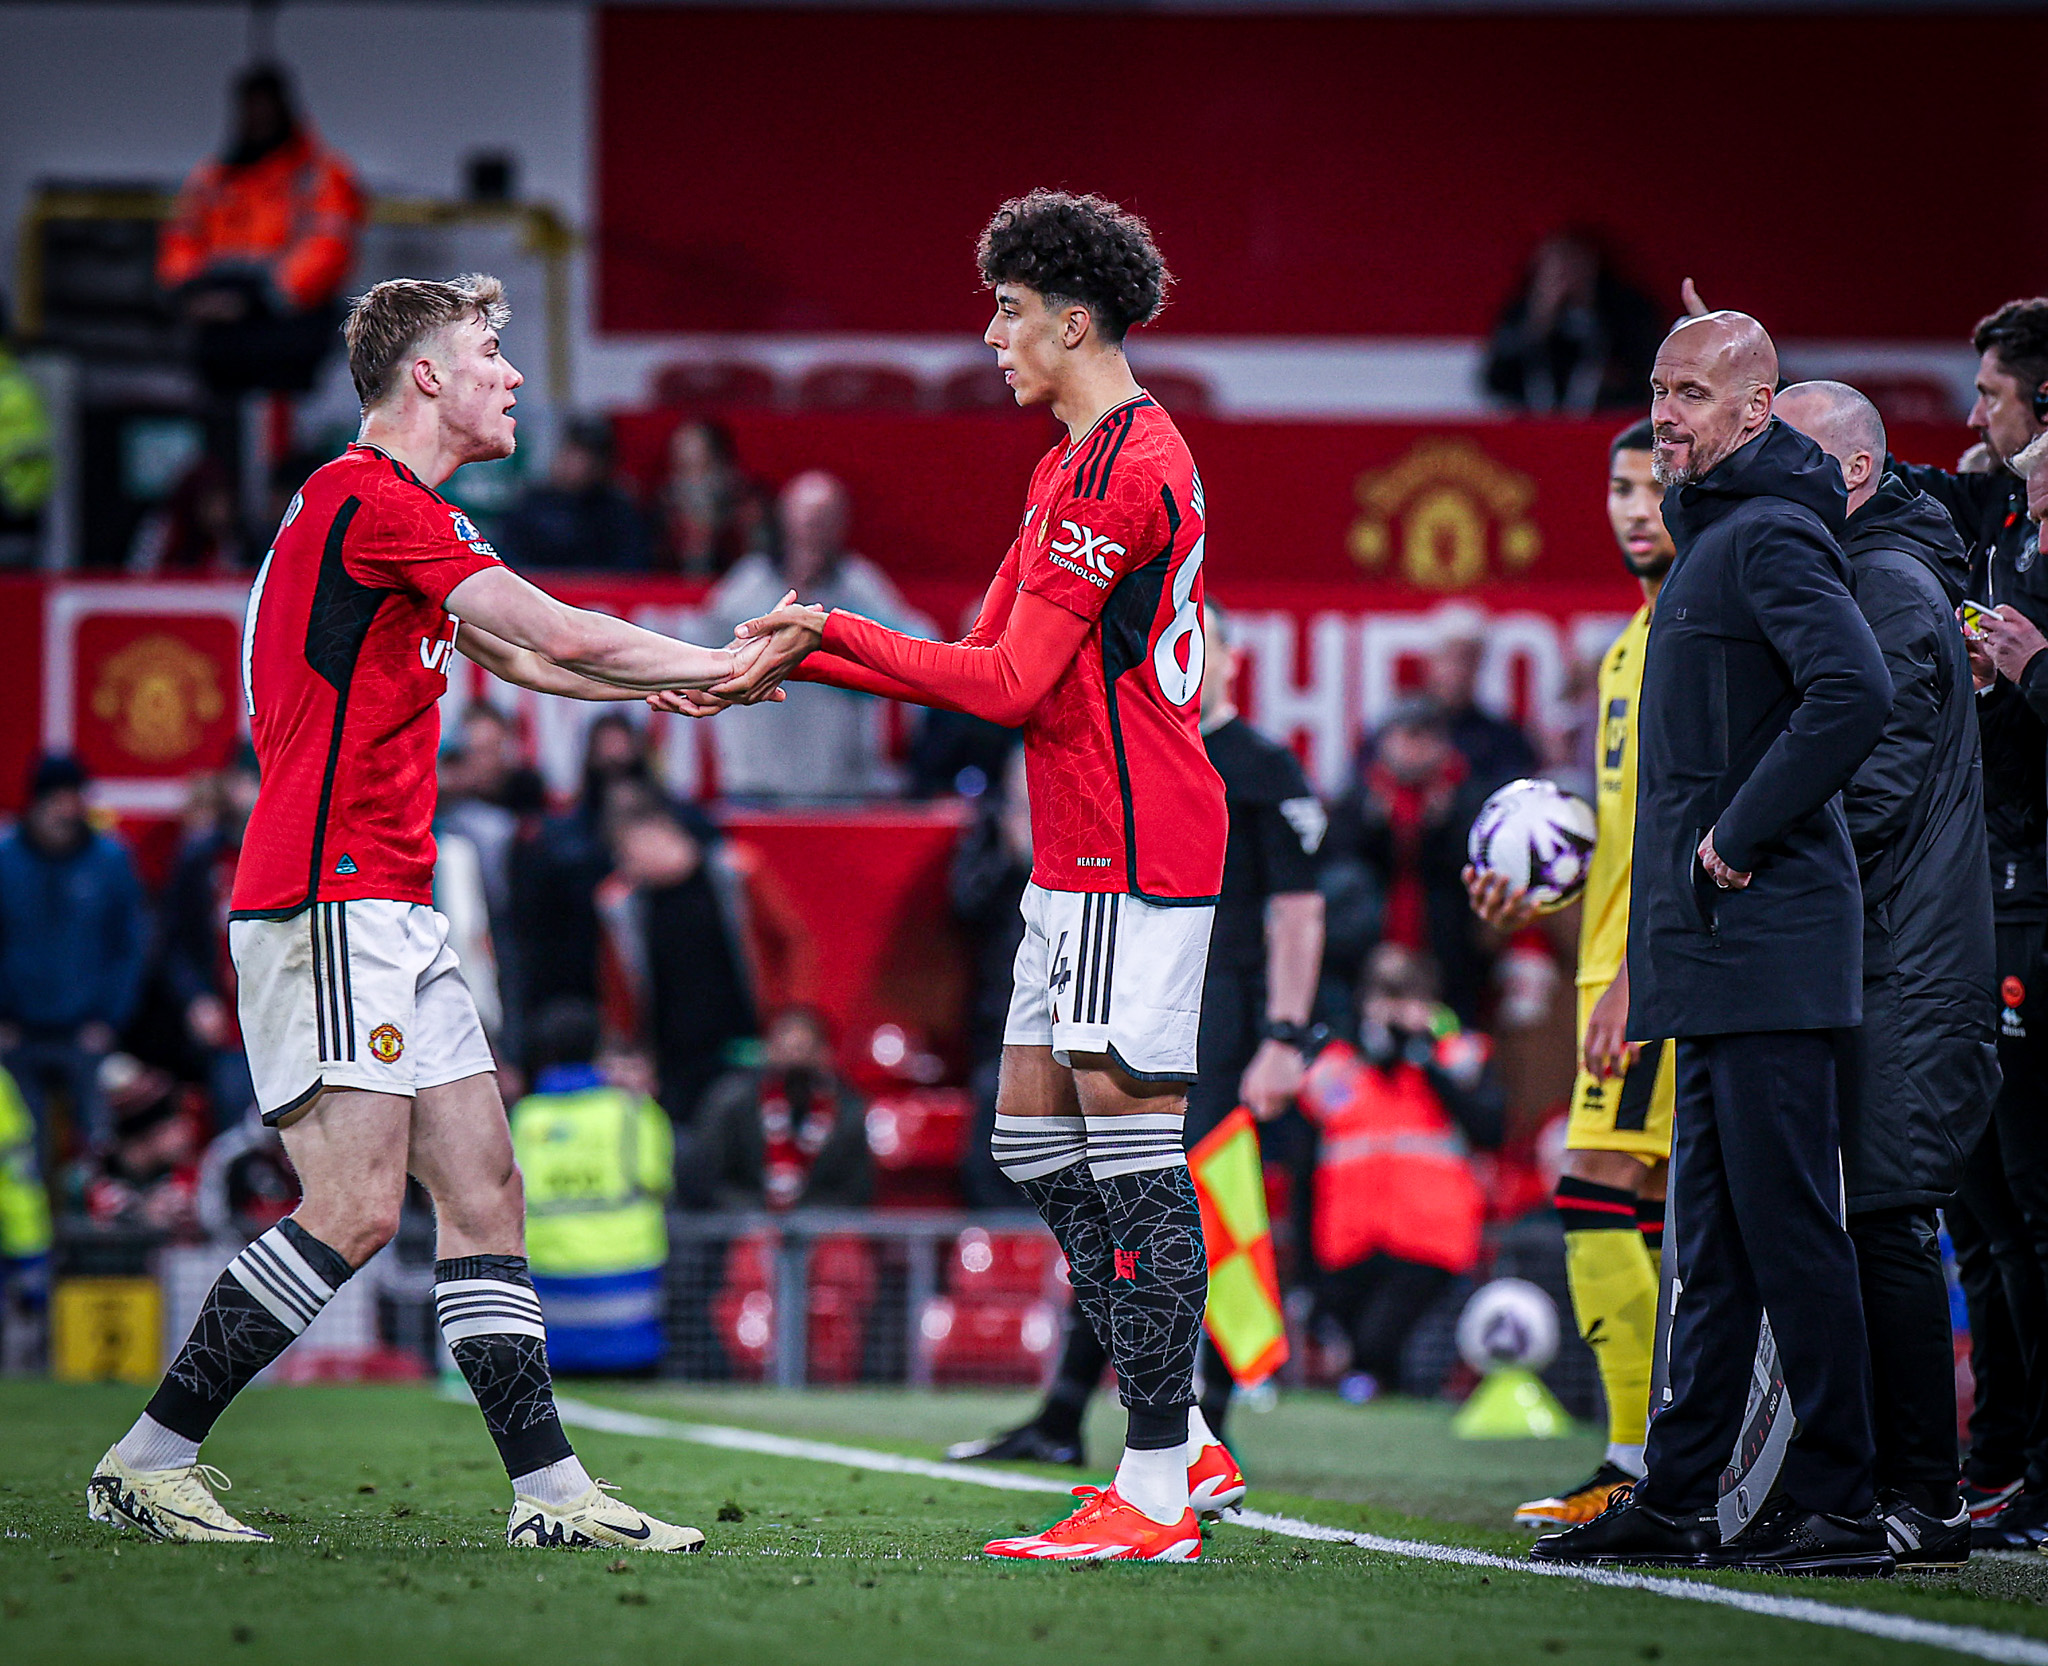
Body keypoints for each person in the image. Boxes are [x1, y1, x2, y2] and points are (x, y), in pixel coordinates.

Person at [85, 271, 776, 1554]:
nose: (514, 375)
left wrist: (666, 694)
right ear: (425, 378)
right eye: (491, 352)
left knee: (487, 1193)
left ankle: (551, 1496)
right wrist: (719, 662)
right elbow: (546, 624)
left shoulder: (380, 519)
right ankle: (149, 1455)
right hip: (327, 898)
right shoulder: (372, 501)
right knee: (351, 1208)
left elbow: (517, 654)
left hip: (384, 904)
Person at [685, 190, 1231, 1562]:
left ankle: (1159, 1476)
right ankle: (1188, 1420)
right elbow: (980, 647)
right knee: (1030, 1142)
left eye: (1004, 309)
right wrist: (811, 645)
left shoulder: (1122, 473)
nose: (990, 335)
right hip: (1077, 853)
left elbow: (1004, 682)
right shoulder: (1070, 463)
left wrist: (823, 633)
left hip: (1135, 845)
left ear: (1070, 318)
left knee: (1137, 1157)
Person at [1534, 311, 1893, 1575]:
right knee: (1716, 1249)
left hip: (1767, 942)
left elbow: (1856, 687)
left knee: (1788, 1235)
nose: (1666, 415)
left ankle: (1844, 1499)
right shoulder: (1723, 533)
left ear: (1756, 414)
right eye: (1655, 391)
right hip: (1717, 954)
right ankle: (1679, 1494)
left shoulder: (1772, 532)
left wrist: (1737, 834)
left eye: (1690, 396)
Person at [949, 599, 1324, 1467]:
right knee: (1118, 1196)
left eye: (1207, 641)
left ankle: (1196, 1424)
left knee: (1180, 1198)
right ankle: (1097, 1416)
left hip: (1221, 1009)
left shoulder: (1261, 767)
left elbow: (1297, 914)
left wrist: (1286, 1032)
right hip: (1129, 989)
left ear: (1222, 654)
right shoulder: (1145, 744)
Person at [1776, 379, 1998, 1567]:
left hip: (1908, 963)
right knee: (1869, 1220)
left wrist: (1754, 842)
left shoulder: (1888, 587)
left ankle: (1927, 1494)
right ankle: (1877, 1483)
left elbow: (1875, 777)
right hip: (1881, 951)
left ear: (1850, 474)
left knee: (1889, 1219)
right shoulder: (1875, 574)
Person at [1466, 418, 1676, 1531]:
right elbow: (1627, 831)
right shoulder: (1625, 648)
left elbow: (1699, 822)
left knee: (1596, 1188)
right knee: (1631, 1205)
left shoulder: (1698, 632)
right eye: (1617, 488)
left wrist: (1642, 972)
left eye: (1652, 487)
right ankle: (1655, 1458)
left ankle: (1645, 1457)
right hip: (1618, 968)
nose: (1633, 508)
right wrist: (1540, 892)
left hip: (1658, 977)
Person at [1297, 944, 1501, 1397]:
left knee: (1380, 1344)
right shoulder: (1338, 1064)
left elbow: (1490, 1129)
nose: (1393, 1009)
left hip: (1428, 1238)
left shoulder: (1459, 1055)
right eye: (1383, 995)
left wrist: (1422, 1057)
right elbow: (1306, 1155)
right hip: (1348, 1241)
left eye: (1406, 995)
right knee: (1369, 1353)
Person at [703, 469, 932, 798]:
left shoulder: (861, 586)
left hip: (841, 787)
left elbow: (911, 652)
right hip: (756, 786)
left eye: (824, 519)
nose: (813, 531)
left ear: (841, 524)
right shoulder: (746, 586)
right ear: (784, 522)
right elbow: (707, 660)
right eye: (806, 520)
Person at [157, 63, 363, 400]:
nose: (258, 118)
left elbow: (327, 251)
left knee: (284, 430)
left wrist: (256, 299)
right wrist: (188, 293)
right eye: (250, 108)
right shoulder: (212, 178)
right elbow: (181, 242)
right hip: (219, 328)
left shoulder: (320, 175)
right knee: (221, 423)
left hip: (288, 328)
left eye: (265, 107)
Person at [508, 999, 673, 1374]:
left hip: (547, 1276)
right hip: (627, 1278)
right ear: (598, 1051)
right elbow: (657, 1180)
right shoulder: (633, 1112)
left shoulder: (523, 1117)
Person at [0, 755, 146, 1165]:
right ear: (36, 804)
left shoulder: (111, 861)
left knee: (97, 1149)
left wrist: (109, 1019)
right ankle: (31, 1229)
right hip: (17, 1037)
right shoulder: (6, 860)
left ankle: (92, 1224)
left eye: (73, 799)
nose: (66, 811)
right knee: (22, 1152)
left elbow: (130, 947)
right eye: (56, 801)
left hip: (87, 1033)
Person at [1324, 698, 1493, 1026]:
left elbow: (1474, 871)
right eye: (1406, 736)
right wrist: (1377, 824)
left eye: (1425, 737)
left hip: (1447, 959)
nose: (1414, 748)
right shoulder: (1359, 800)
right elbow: (1339, 867)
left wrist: (1441, 826)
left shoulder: (1468, 799)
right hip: (1369, 959)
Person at [594, 804, 762, 1126]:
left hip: (742, 1040)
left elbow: (788, 943)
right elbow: (616, 986)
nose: (624, 863)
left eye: (629, 851)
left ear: (663, 837)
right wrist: (627, 1050)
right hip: (672, 1055)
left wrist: (788, 1012)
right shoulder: (623, 905)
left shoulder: (734, 875)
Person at [159, 754, 262, 1126]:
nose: (244, 793)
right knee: (234, 1138)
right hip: (228, 1030)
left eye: (253, 781)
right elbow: (175, 942)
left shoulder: (298, 857)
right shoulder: (201, 859)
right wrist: (195, 998)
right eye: (238, 782)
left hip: (290, 1028)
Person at [693, 1007, 871, 1210]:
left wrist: (804, 1219)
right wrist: (756, 1215)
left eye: (804, 1050)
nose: (794, 1062)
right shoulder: (732, 1102)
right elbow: (708, 1179)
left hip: (820, 1226)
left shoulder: (848, 1110)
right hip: (741, 1224)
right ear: (768, 1050)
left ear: (824, 1054)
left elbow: (856, 1189)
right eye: (785, 1050)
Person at [1482, 231, 1664, 415]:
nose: (1566, 275)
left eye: (1575, 264)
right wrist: (1538, 322)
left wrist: (1588, 310)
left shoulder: (1627, 310)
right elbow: (1495, 379)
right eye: (1555, 268)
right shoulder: (1519, 314)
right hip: (1532, 423)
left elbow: (1646, 373)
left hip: (1608, 420)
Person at [497, 415, 652, 571]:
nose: (575, 464)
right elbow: (510, 562)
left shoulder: (618, 514)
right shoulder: (531, 505)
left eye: (587, 458)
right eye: (571, 453)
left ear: (603, 465)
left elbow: (630, 570)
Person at [1421, 605, 1539, 795]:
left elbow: (1514, 798)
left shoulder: (1504, 737)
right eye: (1450, 656)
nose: (1458, 669)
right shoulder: (1397, 732)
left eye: (1468, 658)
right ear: (1431, 662)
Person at [658, 417, 763, 576]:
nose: (693, 481)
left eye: (701, 468)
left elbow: (760, 564)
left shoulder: (746, 508)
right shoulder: (662, 511)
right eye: (684, 469)